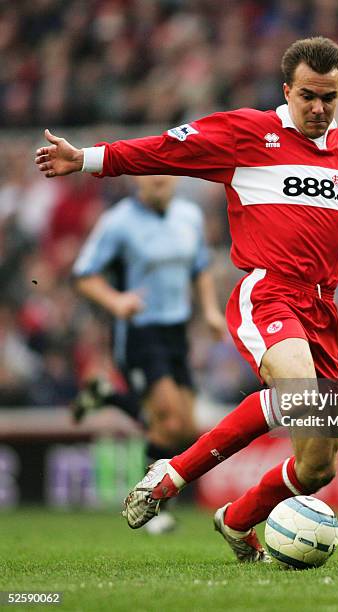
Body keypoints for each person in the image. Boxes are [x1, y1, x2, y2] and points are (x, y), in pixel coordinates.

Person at [35, 36, 338, 562]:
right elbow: (166, 149)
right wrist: (86, 159)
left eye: (329, 98)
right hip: (268, 291)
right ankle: (172, 473)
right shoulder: (248, 132)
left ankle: (237, 519)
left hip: (323, 309)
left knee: (319, 465)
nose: (318, 108)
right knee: (295, 391)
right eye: (307, 97)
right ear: (287, 91)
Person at [71, 174, 226, 533]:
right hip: (139, 331)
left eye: (164, 174)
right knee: (168, 423)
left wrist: (210, 311)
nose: (159, 180)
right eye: (151, 174)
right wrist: (115, 300)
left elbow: (200, 268)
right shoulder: (118, 221)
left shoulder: (188, 215)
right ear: (138, 180)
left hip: (176, 332)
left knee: (186, 430)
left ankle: (108, 396)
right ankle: (151, 509)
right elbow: (84, 274)